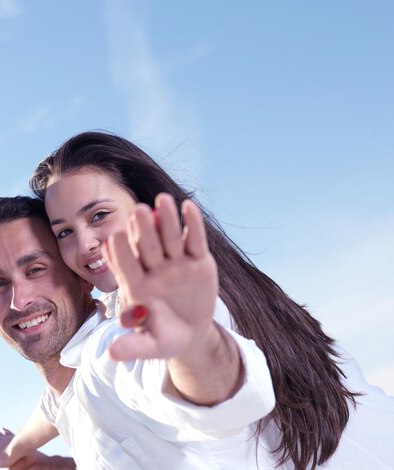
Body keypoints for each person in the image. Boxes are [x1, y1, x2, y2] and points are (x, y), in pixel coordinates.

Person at [23, 131, 394, 469]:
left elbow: (205, 386)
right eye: (65, 232)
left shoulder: (162, 313)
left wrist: (195, 345)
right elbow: (58, 404)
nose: (84, 243)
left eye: (99, 215)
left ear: (148, 208)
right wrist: (30, 454)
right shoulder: (244, 285)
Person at [0, 195, 275, 469]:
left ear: (81, 276)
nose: (19, 300)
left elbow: (208, 391)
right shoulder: (66, 386)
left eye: (35, 270)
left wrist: (194, 346)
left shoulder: (111, 353)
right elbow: (53, 409)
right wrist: (19, 452)